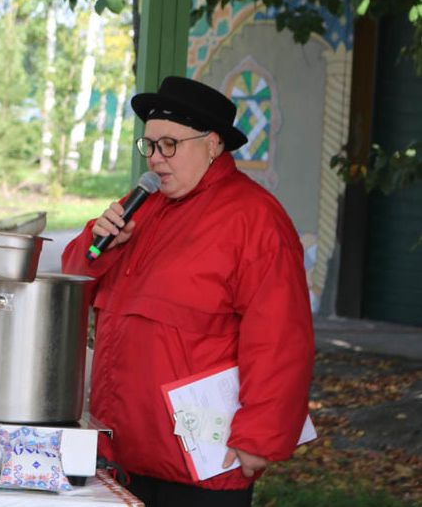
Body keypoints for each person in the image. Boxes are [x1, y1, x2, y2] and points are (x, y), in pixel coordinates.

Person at [62, 76, 314, 507]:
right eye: (150, 146)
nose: (156, 160)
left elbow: (280, 339)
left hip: (200, 470)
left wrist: (261, 434)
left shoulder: (255, 220)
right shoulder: (141, 205)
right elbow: (71, 281)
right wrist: (97, 245)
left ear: (213, 145)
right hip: (120, 453)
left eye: (169, 145)